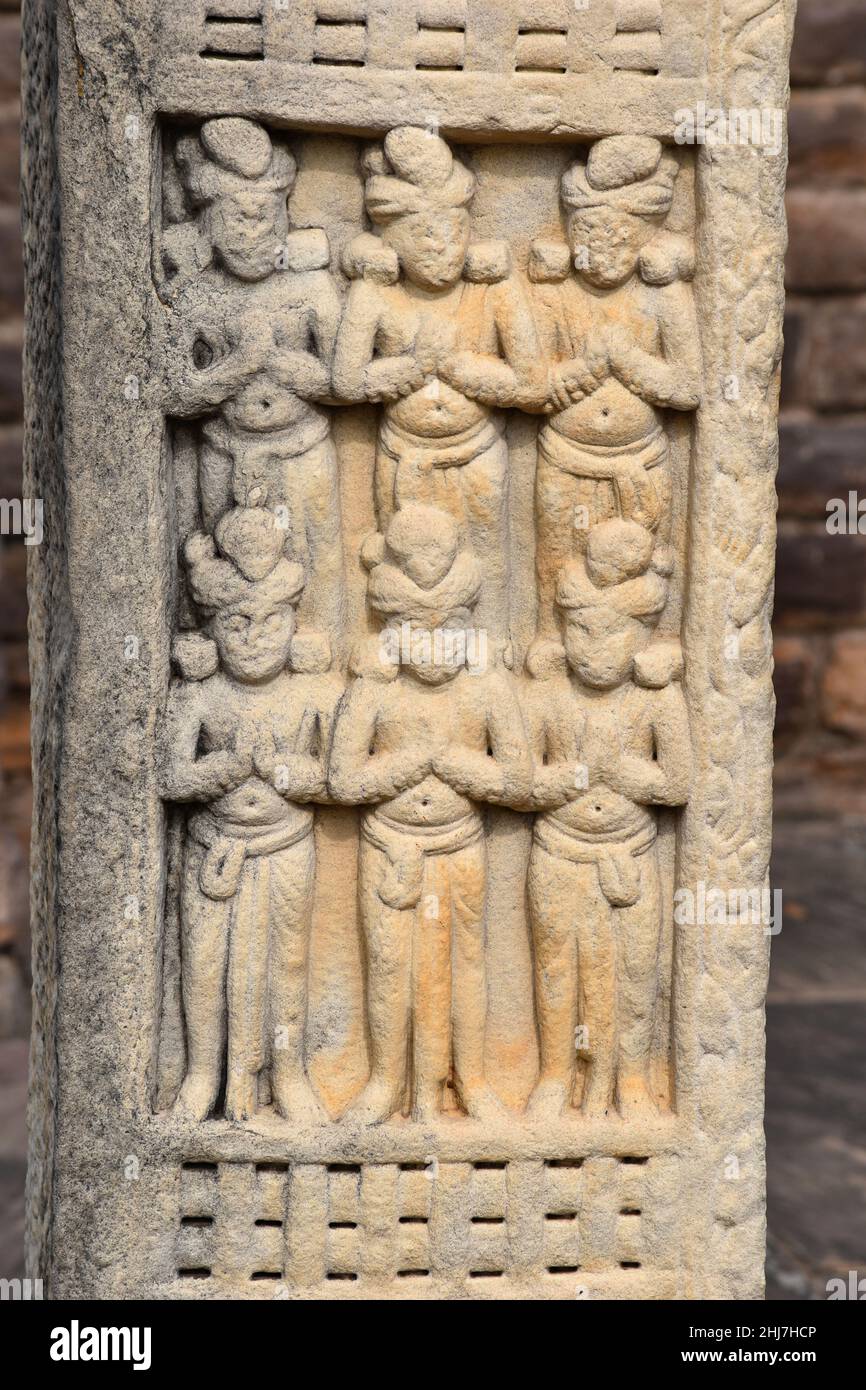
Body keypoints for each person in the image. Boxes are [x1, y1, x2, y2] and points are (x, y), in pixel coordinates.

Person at [329, 504, 532, 1123]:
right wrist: (415, 760)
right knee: (390, 966)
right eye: (416, 624)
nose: (434, 641)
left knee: (466, 964)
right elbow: (342, 780)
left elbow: (519, 779)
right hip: (392, 846)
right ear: (391, 626)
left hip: (458, 846)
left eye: (449, 624)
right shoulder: (375, 689)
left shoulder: (488, 687)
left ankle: (470, 1079)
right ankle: (387, 1081)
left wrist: (450, 763)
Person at [333, 125, 544, 650]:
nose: (442, 248)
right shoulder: (374, 294)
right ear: (391, 239)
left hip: (475, 455)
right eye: (424, 235)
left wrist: (452, 366)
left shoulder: (492, 290)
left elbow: (534, 383)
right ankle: (408, 659)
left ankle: (491, 656)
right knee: (405, 560)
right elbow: (346, 380)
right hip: (407, 456)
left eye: (455, 232)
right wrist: (413, 363)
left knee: (485, 553)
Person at [162, 502, 335, 1124]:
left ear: (295, 625)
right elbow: (170, 776)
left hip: (285, 845)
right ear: (211, 629)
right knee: (203, 965)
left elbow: (333, 780)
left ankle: (287, 1074)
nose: (254, 638)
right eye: (237, 624)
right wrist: (228, 768)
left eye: (270, 623)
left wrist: (281, 770)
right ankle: (200, 1073)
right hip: (215, 845)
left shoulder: (309, 695)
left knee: (288, 963)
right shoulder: (201, 697)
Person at [524, 518, 691, 1119]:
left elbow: (677, 784)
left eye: (612, 633)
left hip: (629, 854)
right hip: (559, 852)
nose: (594, 650)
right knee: (555, 967)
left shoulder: (657, 700)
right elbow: (520, 783)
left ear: (642, 633)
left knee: (635, 971)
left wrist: (620, 773)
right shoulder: (547, 696)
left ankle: (634, 1080)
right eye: (582, 633)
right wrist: (572, 777)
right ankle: (553, 1074)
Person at [163, 117, 346, 658]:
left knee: (317, 551)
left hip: (301, 445)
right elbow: (177, 392)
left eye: (265, 218)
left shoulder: (311, 285)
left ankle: (322, 645)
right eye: (236, 220)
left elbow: (344, 381)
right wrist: (242, 363)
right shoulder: (194, 294)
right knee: (222, 552)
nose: (253, 233)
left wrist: (281, 363)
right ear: (207, 226)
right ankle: (228, 650)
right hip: (225, 448)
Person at [533, 135, 702, 640]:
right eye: (588, 235)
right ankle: (549, 636)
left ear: (646, 240)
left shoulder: (663, 299)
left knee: (640, 562)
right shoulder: (554, 295)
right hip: (567, 456)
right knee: (556, 554)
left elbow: (689, 387)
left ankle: (641, 646)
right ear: (567, 234)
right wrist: (578, 370)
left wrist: (625, 360)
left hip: (638, 461)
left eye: (619, 237)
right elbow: (530, 384)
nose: (602, 252)